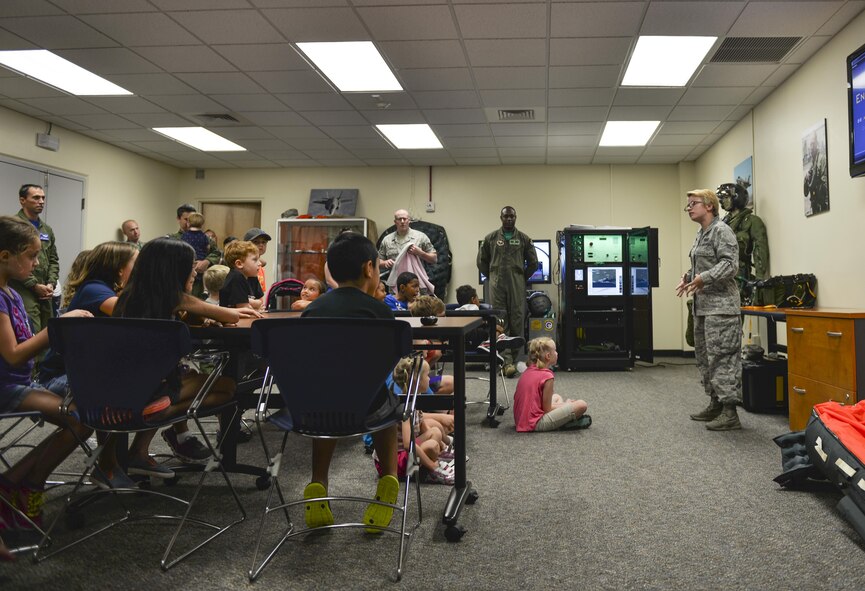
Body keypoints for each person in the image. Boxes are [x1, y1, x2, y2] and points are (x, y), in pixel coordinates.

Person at [113, 238, 261, 464]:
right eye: (190, 267)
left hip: (122, 382)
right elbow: (229, 315)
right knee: (228, 388)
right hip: (152, 387)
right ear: (173, 271)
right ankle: (163, 414)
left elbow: (189, 317)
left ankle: (140, 450)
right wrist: (234, 313)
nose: (195, 273)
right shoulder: (174, 297)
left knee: (192, 378)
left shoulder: (129, 296)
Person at [301, 231, 400, 533]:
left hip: (314, 407)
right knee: (387, 400)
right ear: (369, 268)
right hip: (366, 406)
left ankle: (319, 481)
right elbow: (390, 359)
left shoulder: (313, 309)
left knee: (326, 403)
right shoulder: (380, 312)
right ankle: (389, 480)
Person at [0, 215, 94, 530]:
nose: (37, 263)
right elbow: (13, 355)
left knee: (84, 416)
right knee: (80, 420)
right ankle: (28, 484)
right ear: (5, 256)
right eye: (31, 256)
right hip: (6, 388)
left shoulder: (11, 293)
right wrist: (57, 328)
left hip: (19, 383)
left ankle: (14, 481)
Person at [38, 241, 158, 486]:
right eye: (135, 262)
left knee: (155, 381)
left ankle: (124, 458)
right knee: (120, 390)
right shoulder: (94, 289)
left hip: (88, 373)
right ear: (118, 267)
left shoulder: (108, 288)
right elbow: (130, 315)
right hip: (60, 377)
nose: (139, 268)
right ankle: (108, 464)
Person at [676, 189, 743, 431]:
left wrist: (703, 278)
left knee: (723, 358)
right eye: (688, 205)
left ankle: (730, 412)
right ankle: (715, 403)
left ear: (710, 206)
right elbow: (701, 264)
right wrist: (688, 278)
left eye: (693, 204)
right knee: (706, 358)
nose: (689, 209)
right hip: (703, 308)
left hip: (722, 309)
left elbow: (729, 265)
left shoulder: (721, 231)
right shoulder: (701, 233)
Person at [477, 206, 537, 378]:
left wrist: (521, 277)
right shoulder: (491, 238)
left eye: (512, 216)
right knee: (500, 320)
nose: (509, 219)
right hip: (497, 283)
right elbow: (482, 261)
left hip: (517, 282)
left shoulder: (524, 239)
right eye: (506, 216)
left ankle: (518, 361)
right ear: (501, 218)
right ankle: (506, 362)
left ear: (516, 217)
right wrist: (492, 275)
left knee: (517, 317)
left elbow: (533, 262)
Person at [8, 184, 59, 338]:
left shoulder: (46, 229)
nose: (41, 201)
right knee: (31, 332)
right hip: (22, 288)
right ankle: (33, 363)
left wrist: (51, 283)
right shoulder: (13, 226)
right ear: (22, 200)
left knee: (48, 332)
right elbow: (11, 259)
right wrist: (34, 285)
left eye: (43, 197)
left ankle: (42, 363)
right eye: (36, 197)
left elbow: (53, 258)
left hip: (45, 290)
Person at [513, 337, 589, 432]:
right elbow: (547, 409)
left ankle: (563, 419)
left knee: (556, 397)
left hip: (521, 420)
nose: (557, 353)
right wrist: (566, 404)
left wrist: (564, 405)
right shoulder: (547, 376)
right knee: (582, 405)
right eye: (555, 351)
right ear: (548, 356)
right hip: (534, 423)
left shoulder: (528, 370)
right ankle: (564, 423)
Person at [717, 183, 770, 302]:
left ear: (736, 198)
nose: (722, 202)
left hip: (738, 275)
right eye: (722, 199)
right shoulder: (722, 224)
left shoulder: (752, 221)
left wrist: (759, 278)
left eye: (726, 198)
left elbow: (760, 249)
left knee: (731, 313)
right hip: (719, 274)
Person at [169, 204, 220, 299]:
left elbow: (216, 252)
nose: (191, 222)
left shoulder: (204, 237)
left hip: (201, 284)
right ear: (178, 219)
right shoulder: (172, 239)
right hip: (180, 283)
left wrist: (207, 261)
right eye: (187, 219)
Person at [219, 240, 263, 310]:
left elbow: (261, 303)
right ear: (239, 264)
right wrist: (254, 304)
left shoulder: (252, 277)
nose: (260, 263)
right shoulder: (236, 277)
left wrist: (250, 302)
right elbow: (245, 310)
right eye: (255, 260)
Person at [243, 228, 271, 296]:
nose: (261, 245)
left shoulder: (260, 266)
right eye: (256, 242)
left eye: (264, 242)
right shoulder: (244, 265)